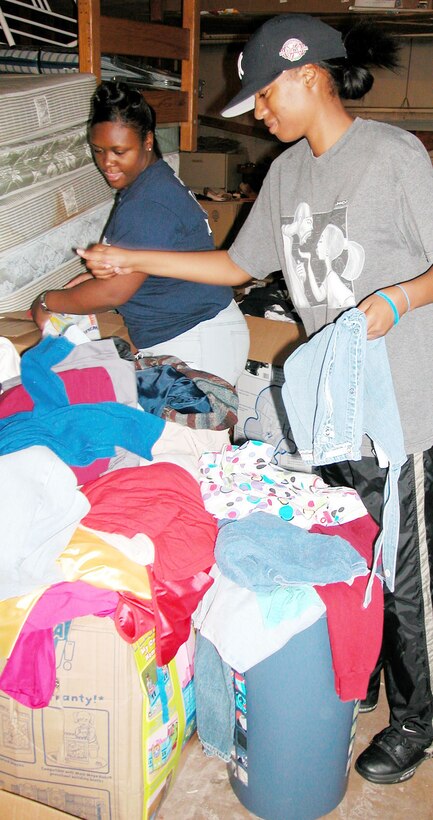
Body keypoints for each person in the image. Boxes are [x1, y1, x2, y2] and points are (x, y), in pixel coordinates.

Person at [76, 15, 433, 785]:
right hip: (331, 413)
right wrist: (130, 255)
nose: (258, 114)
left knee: (408, 576)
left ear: (307, 76)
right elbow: (238, 265)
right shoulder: (287, 174)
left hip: (403, 409)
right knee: (347, 551)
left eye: (263, 96)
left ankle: (416, 719)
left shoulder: (392, 157)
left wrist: (401, 298)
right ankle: (361, 671)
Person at [31, 80, 249, 386]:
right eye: (98, 150)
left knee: (183, 435)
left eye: (120, 151)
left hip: (195, 340)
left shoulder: (147, 203)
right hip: (198, 335)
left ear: (148, 141)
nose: (107, 162)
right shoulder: (151, 184)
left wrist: (47, 301)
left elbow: (114, 291)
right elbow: (134, 271)